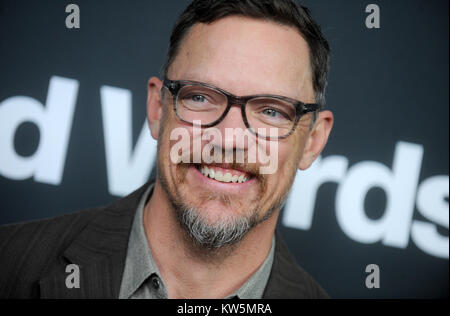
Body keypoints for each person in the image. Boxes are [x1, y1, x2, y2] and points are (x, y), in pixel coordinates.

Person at [0, 0, 333, 299]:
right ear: (157, 109)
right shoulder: (9, 261)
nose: (229, 138)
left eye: (272, 111)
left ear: (312, 142)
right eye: (200, 97)